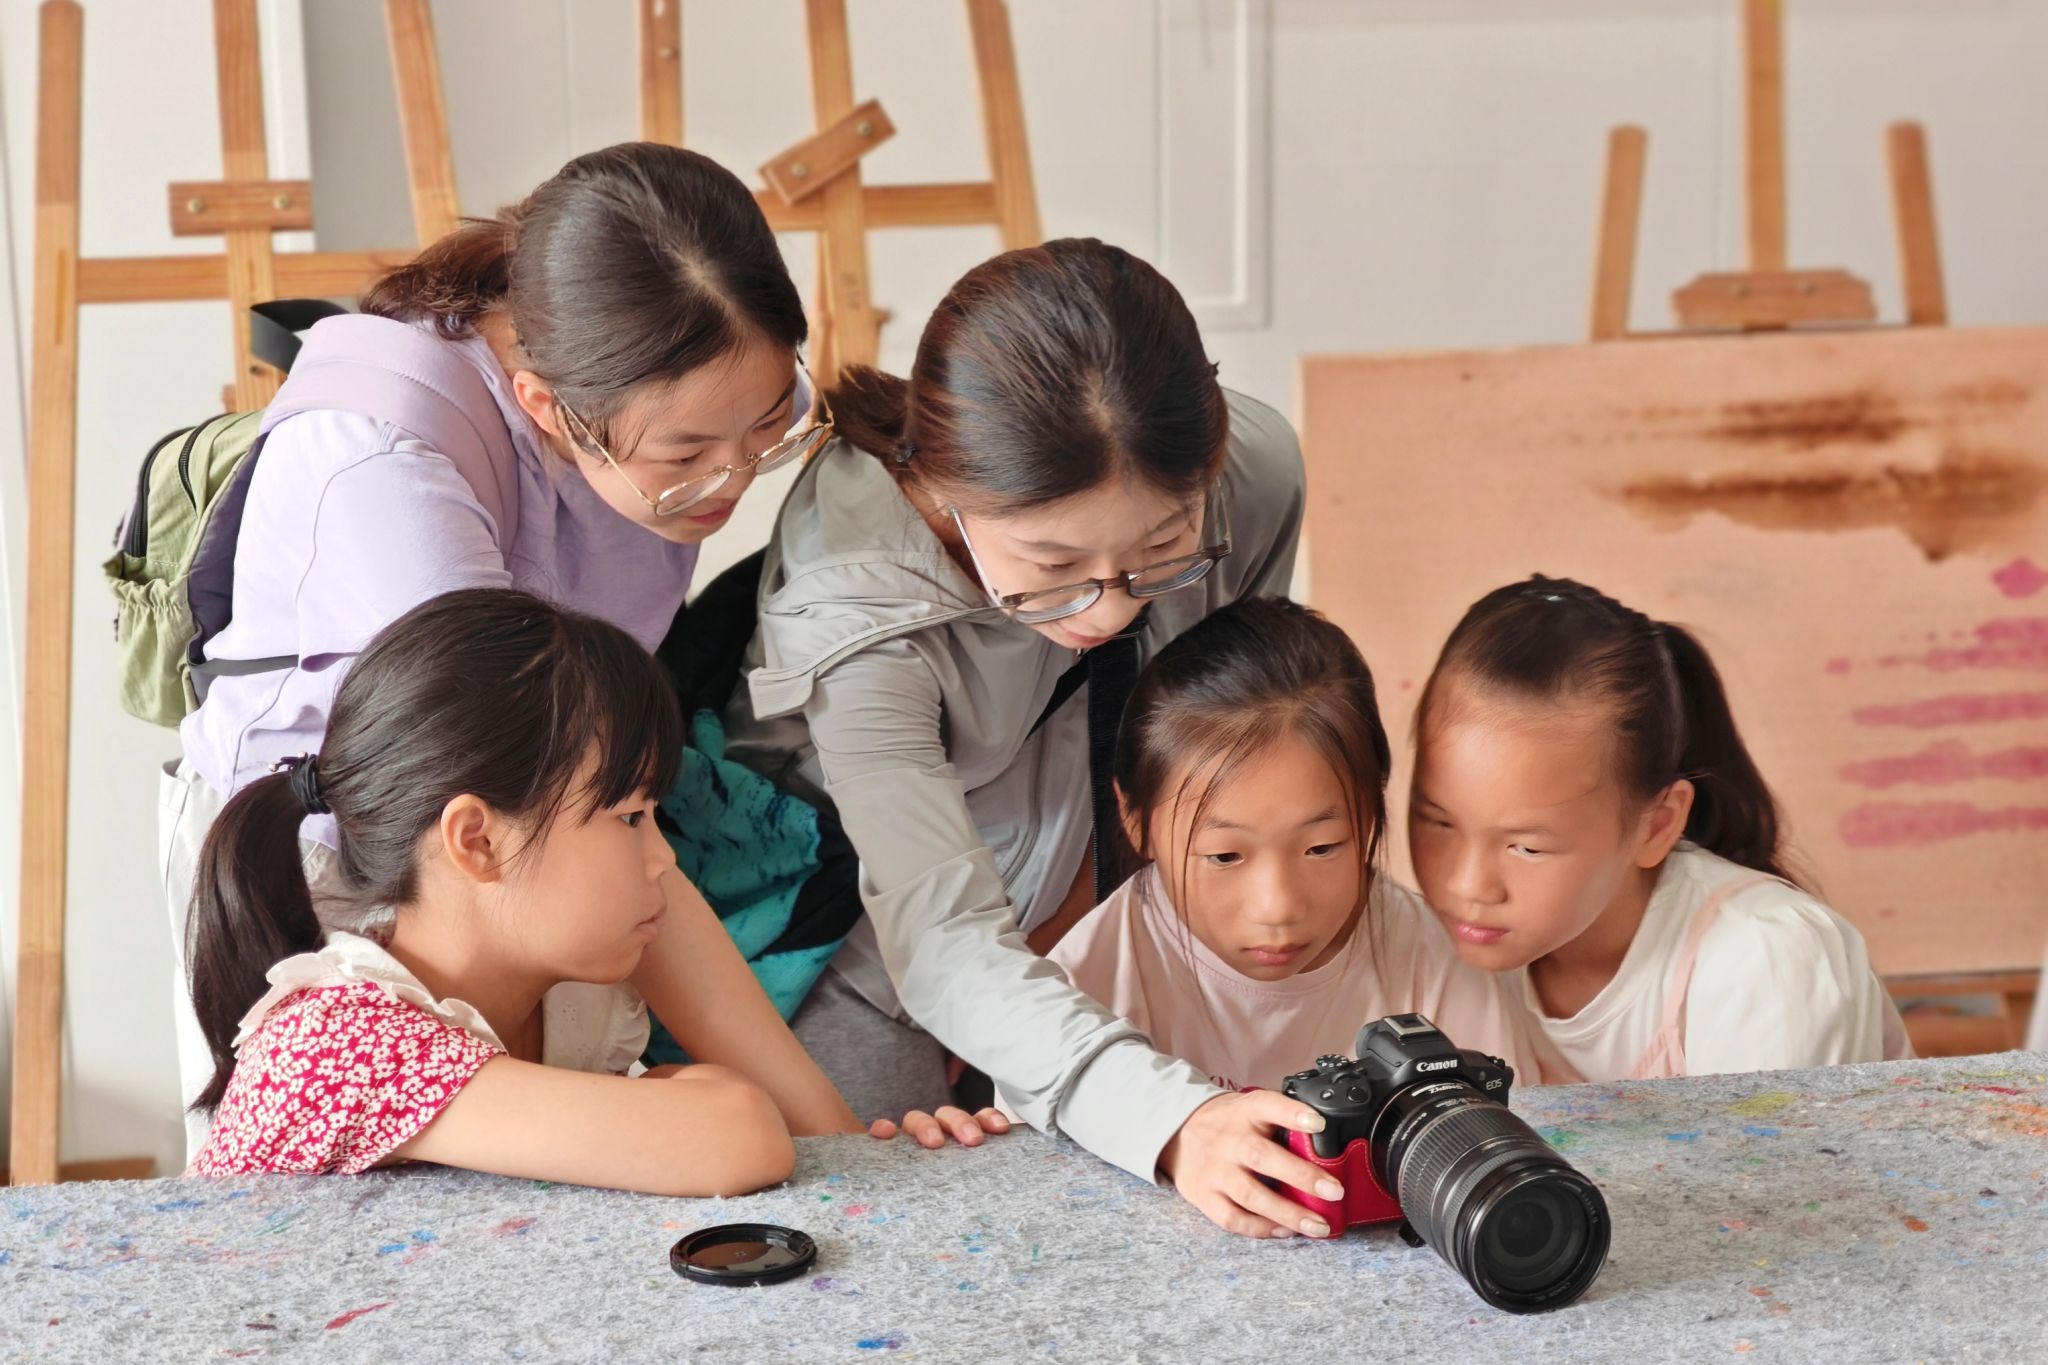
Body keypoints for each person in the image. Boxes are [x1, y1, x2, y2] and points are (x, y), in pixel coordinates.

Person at [161, 142, 827, 1153]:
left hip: (534, 837)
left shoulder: (637, 390)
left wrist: (841, 1143)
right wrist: (828, 1136)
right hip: (361, 871)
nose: (731, 482)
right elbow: (552, 793)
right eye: (685, 456)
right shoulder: (384, 468)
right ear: (546, 408)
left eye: (769, 424)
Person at [719, 237, 1335, 1236]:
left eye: (1160, 554)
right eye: (1049, 565)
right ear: (949, 486)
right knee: (870, 1216)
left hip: (1117, 900)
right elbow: (941, 936)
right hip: (880, 950)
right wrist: (1167, 1118)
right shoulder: (852, 608)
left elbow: (1227, 733)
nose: (1104, 612)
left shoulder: (1252, 478)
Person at [184, 590, 858, 1189]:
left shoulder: (561, 977)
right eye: (629, 816)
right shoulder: (336, 1039)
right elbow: (736, 1134)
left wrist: (915, 1165)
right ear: (477, 840)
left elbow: (825, 1140)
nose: (663, 858)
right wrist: (677, 1088)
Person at [1034, 599, 1534, 1237]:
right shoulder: (1085, 979)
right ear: (1137, 821)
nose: (1277, 907)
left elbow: (1494, 1153)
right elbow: (1043, 1181)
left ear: (1372, 807)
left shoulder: (1426, 952)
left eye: (1323, 847)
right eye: (1223, 854)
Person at [1406, 575, 1911, 1082]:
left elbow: (1775, 1163)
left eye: (1528, 848)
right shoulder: (1431, 946)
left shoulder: (1768, 961)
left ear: (1657, 825)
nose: (1466, 885)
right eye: (1437, 822)